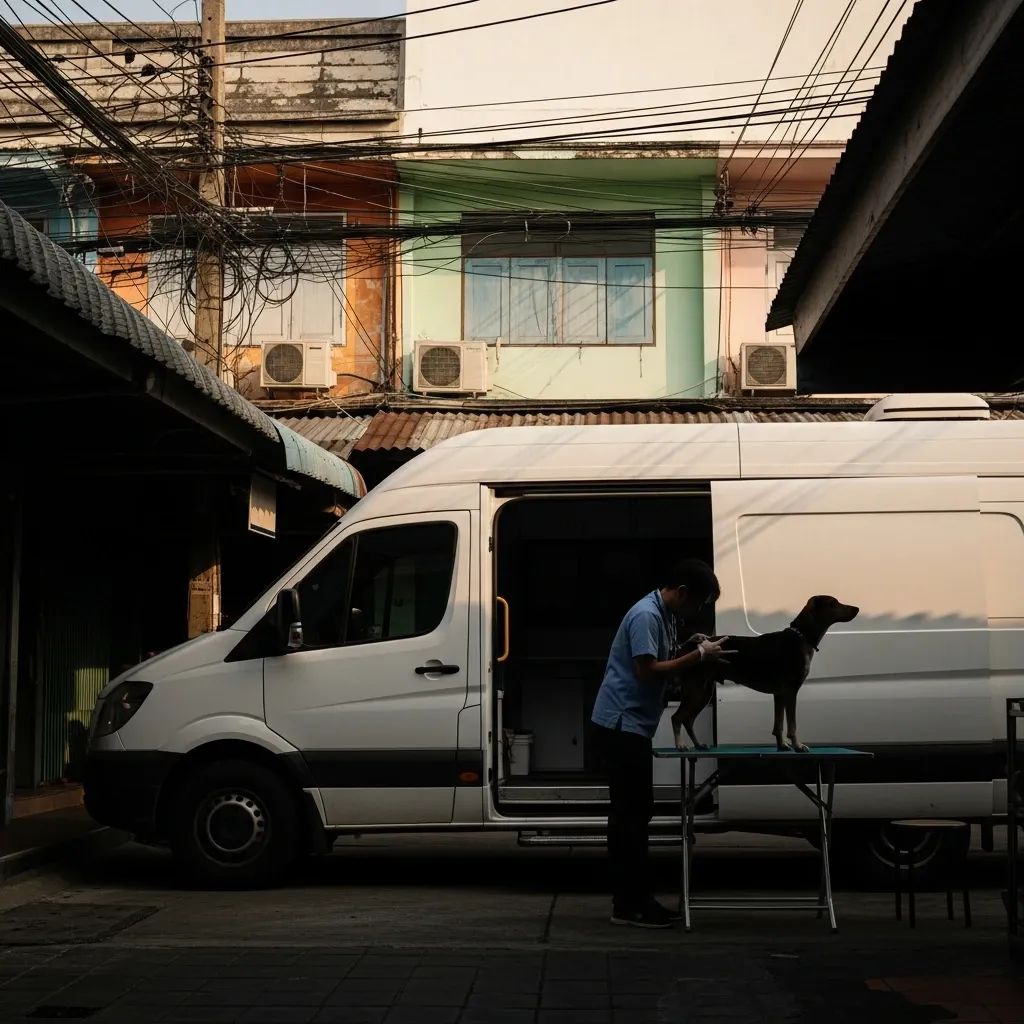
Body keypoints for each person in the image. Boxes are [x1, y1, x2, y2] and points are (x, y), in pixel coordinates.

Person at [591, 558, 731, 928]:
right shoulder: (646, 615)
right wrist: (699, 656)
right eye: (698, 604)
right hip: (621, 724)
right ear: (682, 592)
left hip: (635, 725)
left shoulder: (665, 615)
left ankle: (634, 900)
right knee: (630, 819)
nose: (697, 611)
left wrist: (690, 643)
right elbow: (647, 669)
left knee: (637, 814)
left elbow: (665, 654)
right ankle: (630, 905)